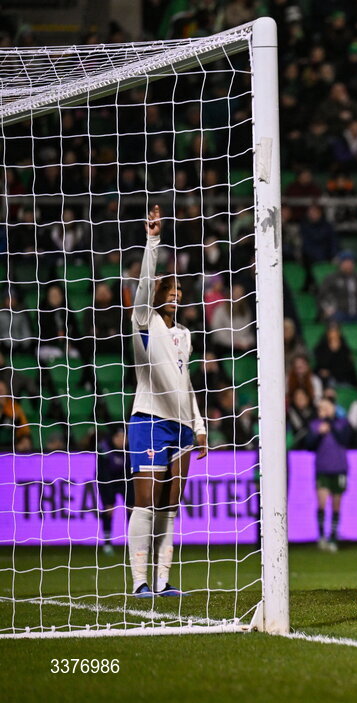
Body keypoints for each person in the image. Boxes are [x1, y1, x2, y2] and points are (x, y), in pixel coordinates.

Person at [126, 206, 208, 598]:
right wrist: (153, 241)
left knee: (170, 507)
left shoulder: (185, 335)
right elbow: (142, 284)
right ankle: (140, 581)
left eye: (180, 292)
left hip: (181, 426)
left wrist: (200, 425)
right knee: (146, 502)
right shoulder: (144, 322)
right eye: (170, 290)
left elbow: (186, 380)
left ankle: (162, 581)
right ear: (159, 294)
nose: (176, 295)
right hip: (149, 418)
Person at [307, 395, 351, 551]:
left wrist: (330, 423)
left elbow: (345, 440)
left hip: (339, 468)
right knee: (322, 502)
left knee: (336, 504)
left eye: (326, 407)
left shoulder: (342, 423)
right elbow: (309, 445)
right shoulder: (315, 425)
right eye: (321, 407)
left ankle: (333, 536)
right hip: (323, 468)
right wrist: (319, 433)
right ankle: (321, 537)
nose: (323, 410)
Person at [96, 425, 130, 556]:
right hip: (108, 481)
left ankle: (134, 542)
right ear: (113, 438)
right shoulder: (104, 450)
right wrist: (108, 499)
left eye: (124, 437)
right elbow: (102, 475)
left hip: (126, 481)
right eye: (119, 437)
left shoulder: (132, 450)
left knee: (133, 510)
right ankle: (107, 543)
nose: (122, 440)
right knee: (108, 510)